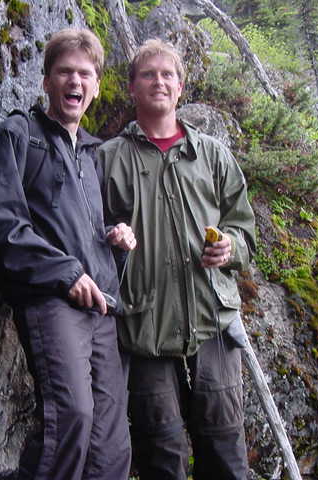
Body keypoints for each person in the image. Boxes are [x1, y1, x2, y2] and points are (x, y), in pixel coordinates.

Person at [0, 28, 135, 480]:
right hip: (50, 298)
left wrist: (111, 238)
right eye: (64, 72)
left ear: (97, 86)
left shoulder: (91, 155)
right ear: (46, 81)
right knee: (72, 418)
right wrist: (66, 273)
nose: (74, 82)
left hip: (100, 302)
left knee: (111, 439)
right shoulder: (19, 135)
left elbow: (72, 229)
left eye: (85, 74)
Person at [99, 38, 257, 480]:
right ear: (131, 87)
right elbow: (86, 237)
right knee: (160, 454)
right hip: (144, 327)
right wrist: (110, 237)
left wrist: (231, 246)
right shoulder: (108, 159)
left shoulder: (212, 155)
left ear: (181, 87)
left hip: (213, 325)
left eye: (167, 74)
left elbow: (244, 229)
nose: (159, 82)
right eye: (148, 74)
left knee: (225, 448)